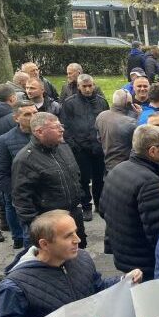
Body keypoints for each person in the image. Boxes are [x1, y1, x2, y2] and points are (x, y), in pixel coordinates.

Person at [0, 210, 142, 317]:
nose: (77, 240)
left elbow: (96, 287)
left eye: (75, 232)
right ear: (44, 244)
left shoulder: (82, 258)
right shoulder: (15, 286)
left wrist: (124, 281)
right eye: (68, 236)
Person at [100, 125, 159, 281]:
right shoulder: (150, 182)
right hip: (144, 263)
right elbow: (157, 232)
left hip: (124, 256)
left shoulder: (118, 169)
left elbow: (103, 209)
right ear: (152, 151)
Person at [12, 113, 87, 248]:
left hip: (73, 216)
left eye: (61, 125)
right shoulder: (25, 159)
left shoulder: (64, 147)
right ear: (39, 131)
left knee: (77, 259)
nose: (62, 130)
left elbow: (76, 176)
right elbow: (21, 199)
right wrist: (37, 226)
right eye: (56, 127)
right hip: (50, 225)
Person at [59, 74, 109, 221]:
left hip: (98, 147)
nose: (88, 89)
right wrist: (75, 146)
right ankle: (86, 206)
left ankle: (99, 204)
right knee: (83, 179)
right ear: (79, 87)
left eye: (90, 86)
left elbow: (106, 122)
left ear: (94, 85)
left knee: (100, 178)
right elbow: (65, 126)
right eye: (84, 86)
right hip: (80, 149)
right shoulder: (69, 103)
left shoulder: (101, 102)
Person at [0, 101, 37, 249]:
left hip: (43, 193)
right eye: (27, 114)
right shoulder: (5, 140)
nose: (33, 117)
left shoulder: (45, 135)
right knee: (28, 237)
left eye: (35, 113)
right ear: (16, 118)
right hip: (18, 192)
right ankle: (18, 238)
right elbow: (0, 172)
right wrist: (15, 191)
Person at [96, 89, 140, 173]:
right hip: (125, 168)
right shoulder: (131, 122)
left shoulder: (101, 116)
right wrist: (138, 116)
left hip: (108, 163)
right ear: (128, 104)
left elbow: (99, 139)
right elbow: (138, 146)